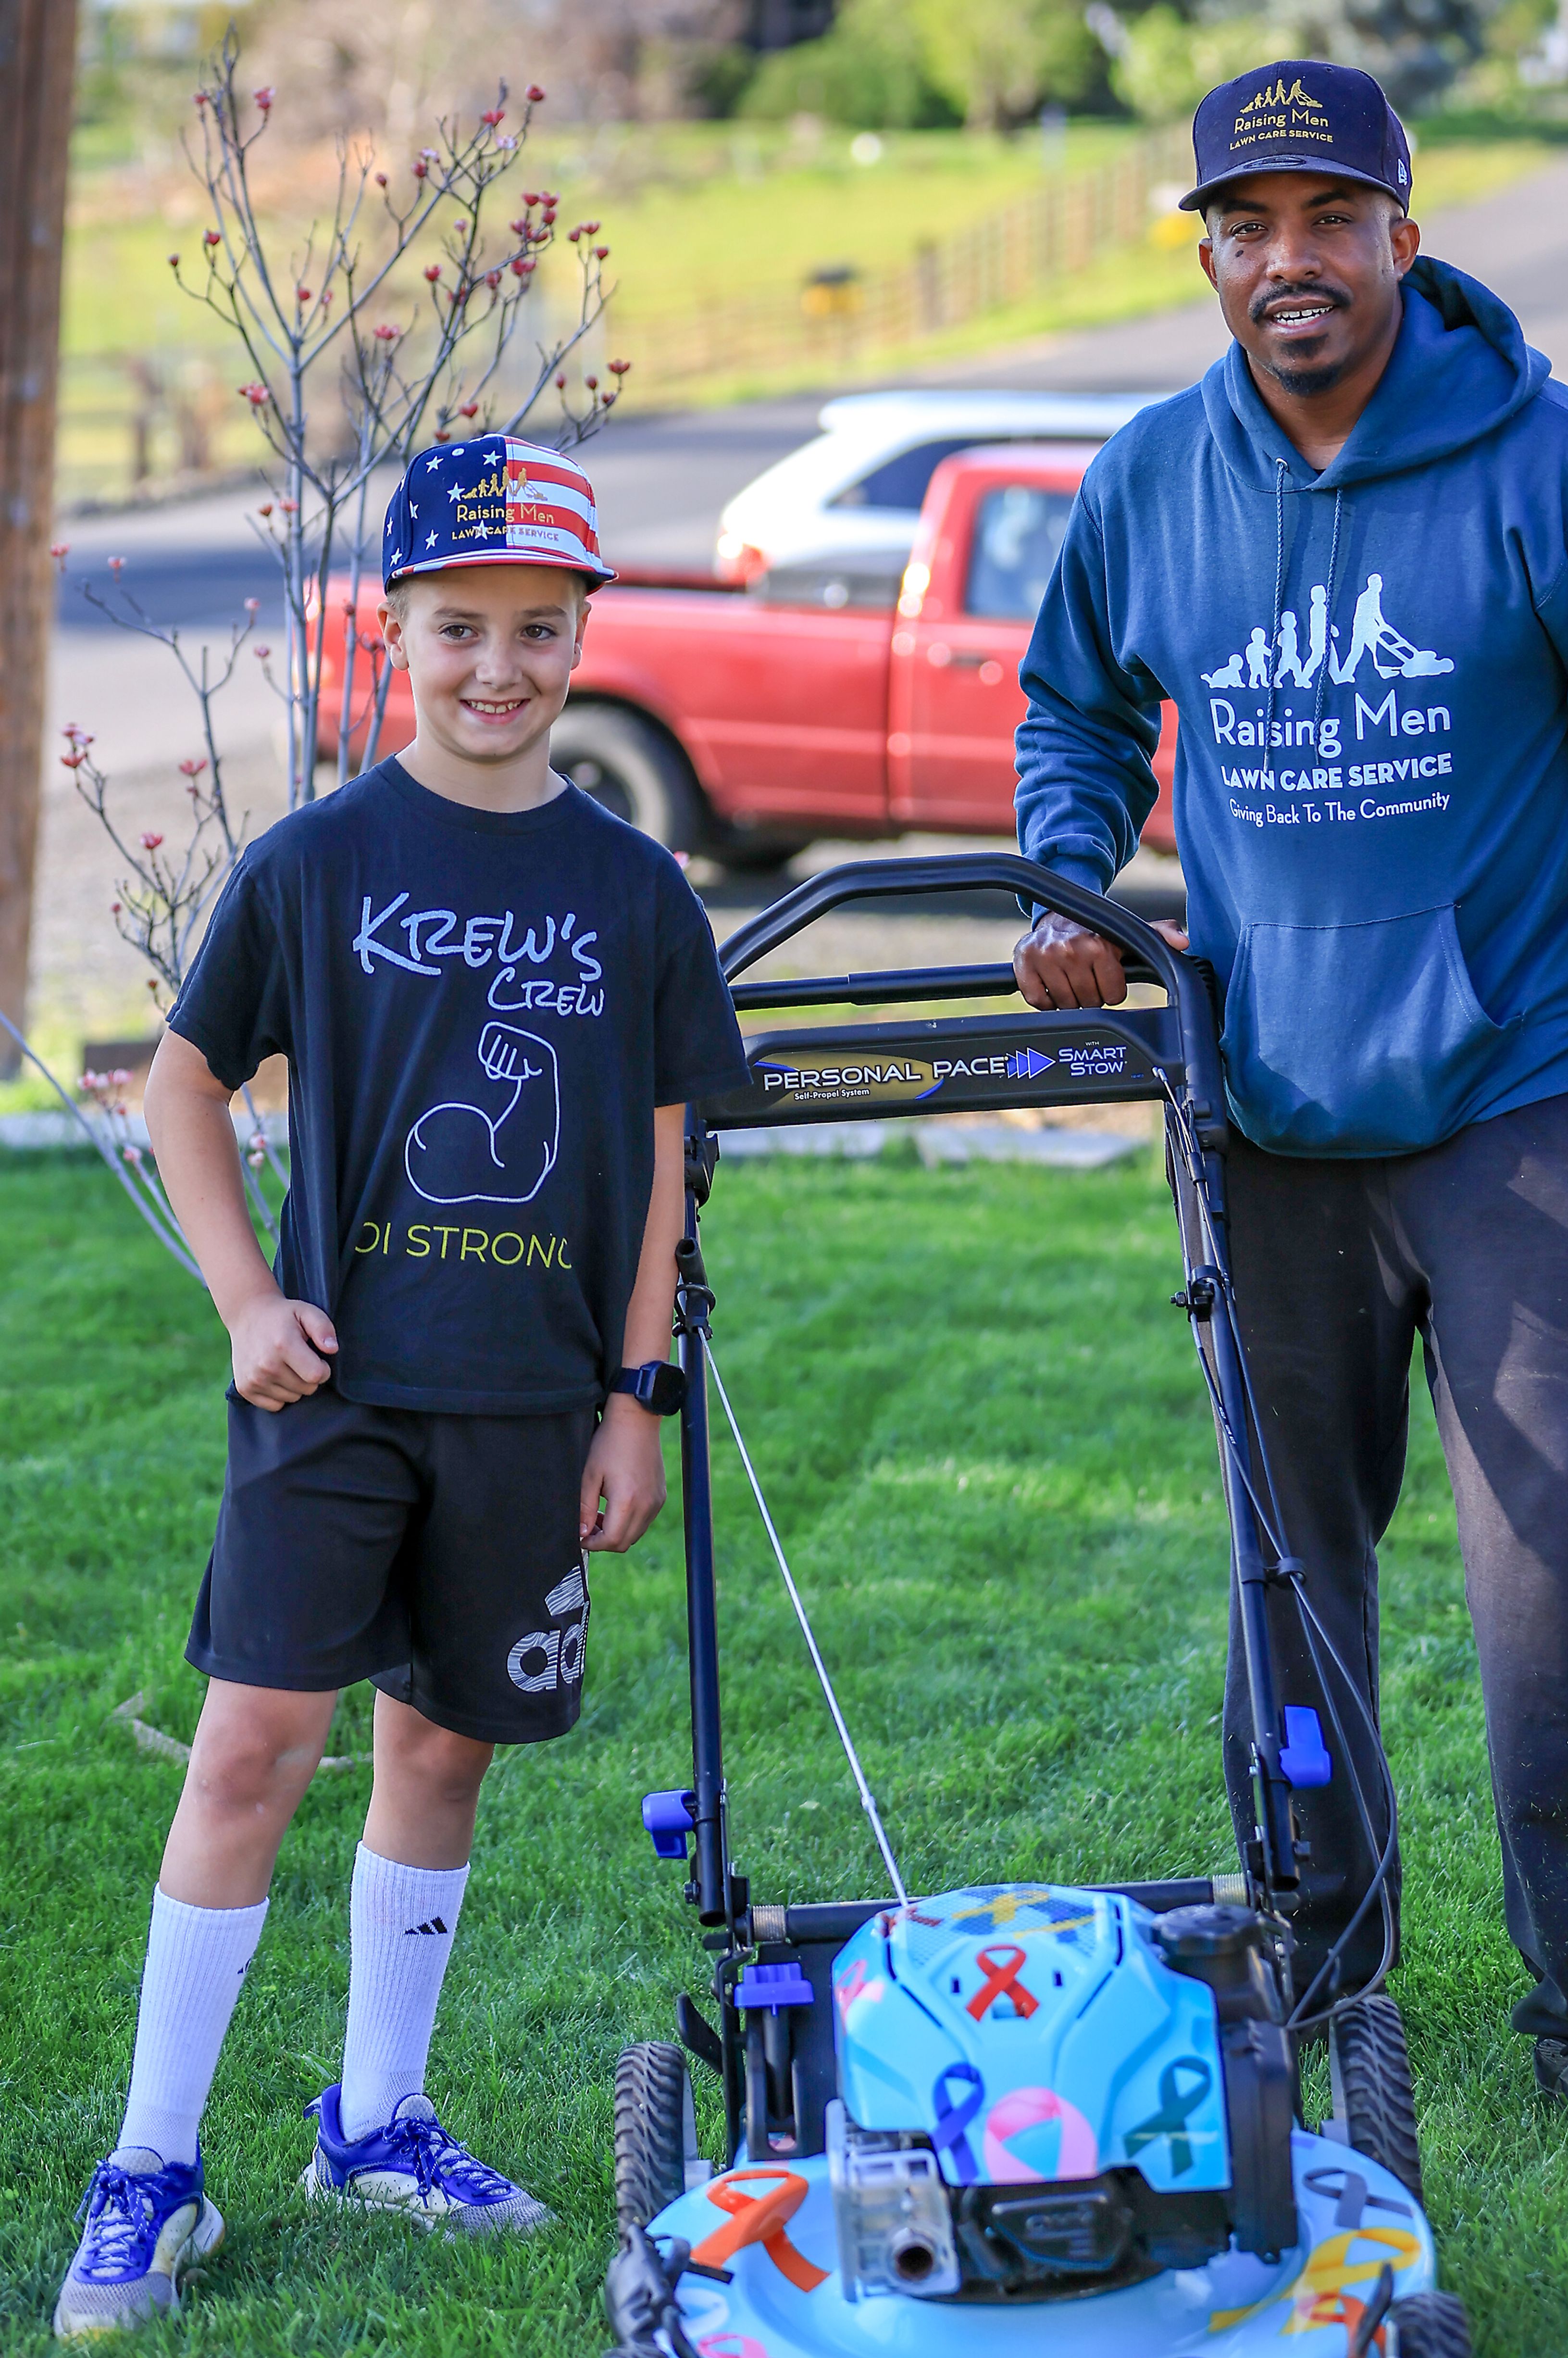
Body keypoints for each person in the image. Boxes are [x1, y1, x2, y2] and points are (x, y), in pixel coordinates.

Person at [1013, 61, 1568, 2159]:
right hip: (1266, 1118)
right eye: (1246, 224)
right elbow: (1075, 704)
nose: (1288, 259)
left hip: (1536, 1110)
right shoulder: (1154, 479)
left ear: (1407, 238)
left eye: (1331, 217)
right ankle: (1322, 1965)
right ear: (1211, 253)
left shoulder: (1562, 471)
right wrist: (1074, 881)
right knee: (1286, 1579)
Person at [53, 437, 747, 2339]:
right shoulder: (319, 860)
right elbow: (185, 1083)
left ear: (586, 633)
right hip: (337, 1391)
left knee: (440, 1750)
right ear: (397, 632)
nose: (500, 665)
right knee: (255, 1747)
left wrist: (633, 1395)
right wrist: (241, 1293)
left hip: (531, 1404)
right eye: (461, 628)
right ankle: (155, 2162)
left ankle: (377, 2115)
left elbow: (668, 1154)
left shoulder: (632, 888)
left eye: (538, 627)